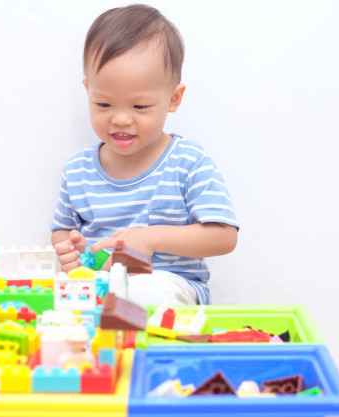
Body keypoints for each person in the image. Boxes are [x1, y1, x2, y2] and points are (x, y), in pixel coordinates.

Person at [51, 4, 238, 305]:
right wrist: (71, 251)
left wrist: (148, 238)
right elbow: (62, 230)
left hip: (169, 287)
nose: (120, 119)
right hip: (97, 290)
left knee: (142, 293)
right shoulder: (78, 170)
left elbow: (224, 236)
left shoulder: (188, 162)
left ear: (174, 98)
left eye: (140, 107)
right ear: (88, 90)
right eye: (103, 104)